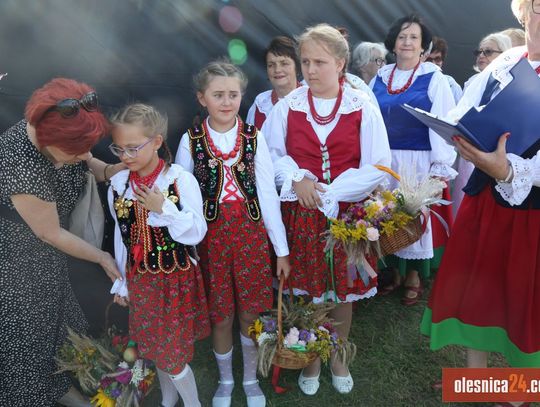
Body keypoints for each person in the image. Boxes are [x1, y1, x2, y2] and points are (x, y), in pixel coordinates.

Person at [263, 23, 391, 396]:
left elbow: (377, 164)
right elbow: (271, 156)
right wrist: (298, 179)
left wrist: (335, 191)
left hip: (346, 217)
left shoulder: (361, 107)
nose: (310, 70)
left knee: (341, 292)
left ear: (340, 63)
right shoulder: (288, 107)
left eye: (320, 61)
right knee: (308, 291)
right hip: (302, 214)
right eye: (305, 62)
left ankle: (337, 355)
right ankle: (312, 356)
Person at [422, 4, 540, 406]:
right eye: (538, 8)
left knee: (523, 305)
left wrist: (507, 170)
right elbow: (464, 110)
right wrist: (457, 132)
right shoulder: (507, 60)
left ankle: (519, 395)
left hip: (532, 213)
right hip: (485, 201)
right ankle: (476, 384)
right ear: (523, 13)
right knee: (476, 294)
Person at [0, 78, 123, 407]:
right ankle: (32, 396)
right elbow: (49, 232)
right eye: (77, 150)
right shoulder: (18, 162)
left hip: (48, 261)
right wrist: (102, 258)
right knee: (28, 345)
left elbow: (87, 163)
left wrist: (113, 169)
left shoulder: (64, 139)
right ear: (46, 140)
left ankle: (65, 389)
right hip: (18, 268)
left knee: (58, 334)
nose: (85, 155)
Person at [176, 60, 291, 407]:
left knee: (251, 312)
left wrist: (281, 250)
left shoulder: (254, 137)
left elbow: (268, 196)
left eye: (233, 94)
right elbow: (181, 194)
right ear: (202, 98)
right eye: (218, 95)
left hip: (250, 237)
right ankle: (226, 380)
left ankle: (249, 378)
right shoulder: (190, 141)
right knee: (221, 313)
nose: (227, 102)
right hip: (211, 240)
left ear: (242, 95)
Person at [108, 103, 210, 407]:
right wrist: (122, 281)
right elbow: (121, 236)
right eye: (119, 149)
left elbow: (196, 232)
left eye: (133, 148)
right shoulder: (118, 184)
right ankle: (168, 401)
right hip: (141, 281)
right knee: (155, 349)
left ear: (156, 141)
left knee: (171, 356)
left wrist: (164, 208)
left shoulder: (177, 180)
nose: (126, 157)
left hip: (174, 280)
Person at [371, 15, 456, 305]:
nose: (407, 42)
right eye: (402, 36)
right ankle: (393, 272)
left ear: (423, 46)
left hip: (418, 160)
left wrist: (438, 168)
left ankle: (414, 276)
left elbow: (443, 125)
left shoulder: (434, 78)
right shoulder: (380, 78)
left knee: (414, 218)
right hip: (385, 161)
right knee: (385, 215)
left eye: (414, 38)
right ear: (393, 43)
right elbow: (369, 121)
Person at [455, 32, 513, 214]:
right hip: (468, 151)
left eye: (488, 51)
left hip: (496, 157)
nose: (481, 56)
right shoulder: (472, 82)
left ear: (504, 53)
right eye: (479, 52)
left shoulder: (509, 82)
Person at [246, 36, 300, 130]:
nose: (277, 70)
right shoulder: (260, 103)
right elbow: (249, 143)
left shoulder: (312, 99)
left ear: (297, 66)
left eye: (284, 63)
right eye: (271, 65)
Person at [425, 36, 463, 103]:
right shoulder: (411, 80)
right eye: (429, 60)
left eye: (437, 59)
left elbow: (459, 112)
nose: (433, 63)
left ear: (442, 60)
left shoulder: (452, 85)